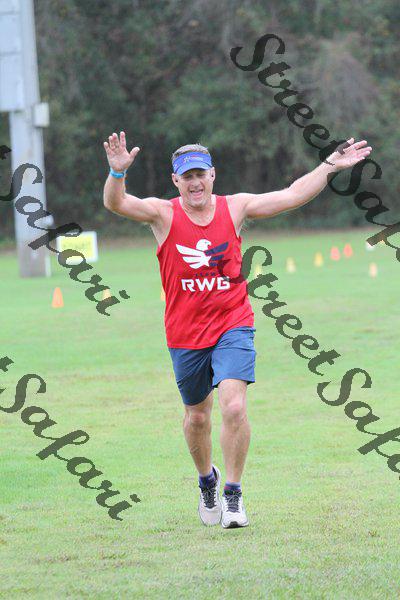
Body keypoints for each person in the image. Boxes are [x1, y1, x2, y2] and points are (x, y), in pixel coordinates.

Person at [103, 132, 372, 528]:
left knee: (234, 406)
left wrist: (331, 164)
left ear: (213, 175)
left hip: (233, 323)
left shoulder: (235, 208)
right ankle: (206, 481)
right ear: (176, 181)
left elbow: (292, 194)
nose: (195, 182)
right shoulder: (163, 214)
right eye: (187, 176)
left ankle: (233, 494)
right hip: (185, 333)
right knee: (197, 418)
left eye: (201, 174)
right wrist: (117, 173)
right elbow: (117, 203)